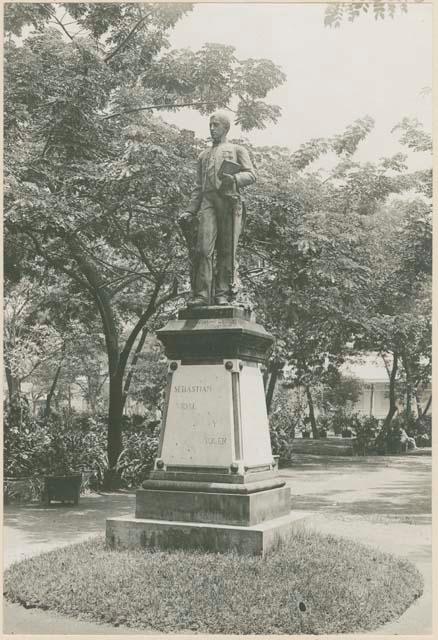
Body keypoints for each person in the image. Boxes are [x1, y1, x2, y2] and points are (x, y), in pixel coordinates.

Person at [180, 111, 256, 306]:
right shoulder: (203, 155)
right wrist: (190, 210)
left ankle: (222, 293)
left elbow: (251, 175)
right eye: (211, 125)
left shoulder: (237, 149)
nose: (212, 129)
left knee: (226, 251)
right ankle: (202, 295)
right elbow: (198, 186)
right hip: (208, 202)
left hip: (229, 201)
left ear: (225, 128)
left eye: (216, 125)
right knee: (203, 249)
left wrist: (235, 179)